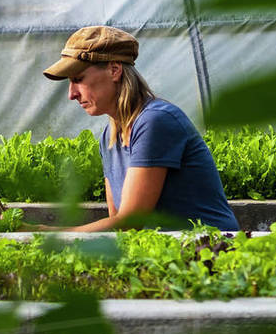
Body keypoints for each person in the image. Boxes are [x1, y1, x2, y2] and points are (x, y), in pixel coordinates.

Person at [37, 25, 238, 232]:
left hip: (211, 251)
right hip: (165, 254)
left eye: (78, 79)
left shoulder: (156, 121)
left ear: (114, 70)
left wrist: (43, 233)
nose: (72, 94)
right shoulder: (109, 138)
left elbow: (130, 222)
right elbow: (118, 224)